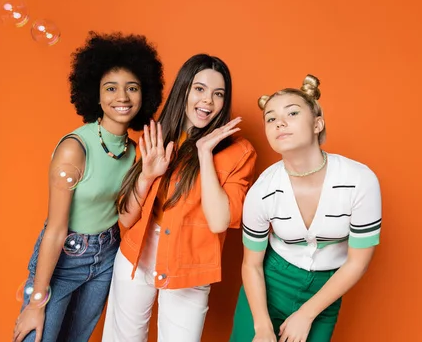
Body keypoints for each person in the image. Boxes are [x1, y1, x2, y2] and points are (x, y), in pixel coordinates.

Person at [12, 32, 165, 342]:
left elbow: (124, 217)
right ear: (95, 95)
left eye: (131, 88)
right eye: (111, 88)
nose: (122, 97)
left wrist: (147, 175)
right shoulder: (75, 148)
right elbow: (55, 229)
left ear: (144, 94)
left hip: (107, 256)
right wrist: (35, 303)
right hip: (64, 258)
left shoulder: (136, 152)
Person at [102, 53, 257, 342]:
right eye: (199, 89)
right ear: (184, 89)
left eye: (218, 94)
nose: (208, 101)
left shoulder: (240, 152)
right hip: (136, 256)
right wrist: (147, 175)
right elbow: (126, 218)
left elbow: (220, 221)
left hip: (190, 267)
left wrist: (205, 153)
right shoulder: (155, 137)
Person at [229, 75, 382, 342]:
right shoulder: (262, 191)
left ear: (317, 124)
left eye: (292, 112)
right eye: (271, 118)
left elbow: (358, 262)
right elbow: (251, 265)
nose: (280, 123)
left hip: (325, 292)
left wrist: (307, 314)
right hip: (269, 285)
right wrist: (262, 327)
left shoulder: (360, 180)